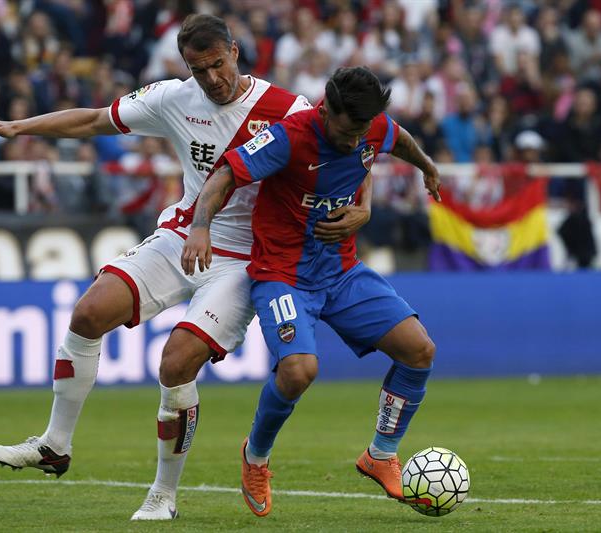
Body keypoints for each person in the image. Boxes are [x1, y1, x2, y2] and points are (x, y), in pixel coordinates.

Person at [0, 14, 368, 521]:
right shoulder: (173, 98)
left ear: (235, 52)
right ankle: (54, 445)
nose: (212, 78)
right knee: (88, 313)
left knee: (175, 363)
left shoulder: (287, 109)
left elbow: (354, 145)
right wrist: (18, 126)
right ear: (186, 68)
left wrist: (362, 206)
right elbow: (92, 120)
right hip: (182, 237)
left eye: (218, 64)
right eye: (199, 70)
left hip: (246, 260)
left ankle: (163, 495)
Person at [181, 67, 440, 517]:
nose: (357, 139)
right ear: (325, 109)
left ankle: (380, 454)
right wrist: (199, 228)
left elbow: (399, 139)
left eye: (363, 130)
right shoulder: (288, 137)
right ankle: (255, 456)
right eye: (348, 129)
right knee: (299, 370)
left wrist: (428, 168)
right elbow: (225, 174)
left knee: (419, 350)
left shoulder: (369, 126)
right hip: (282, 274)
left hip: (340, 271)